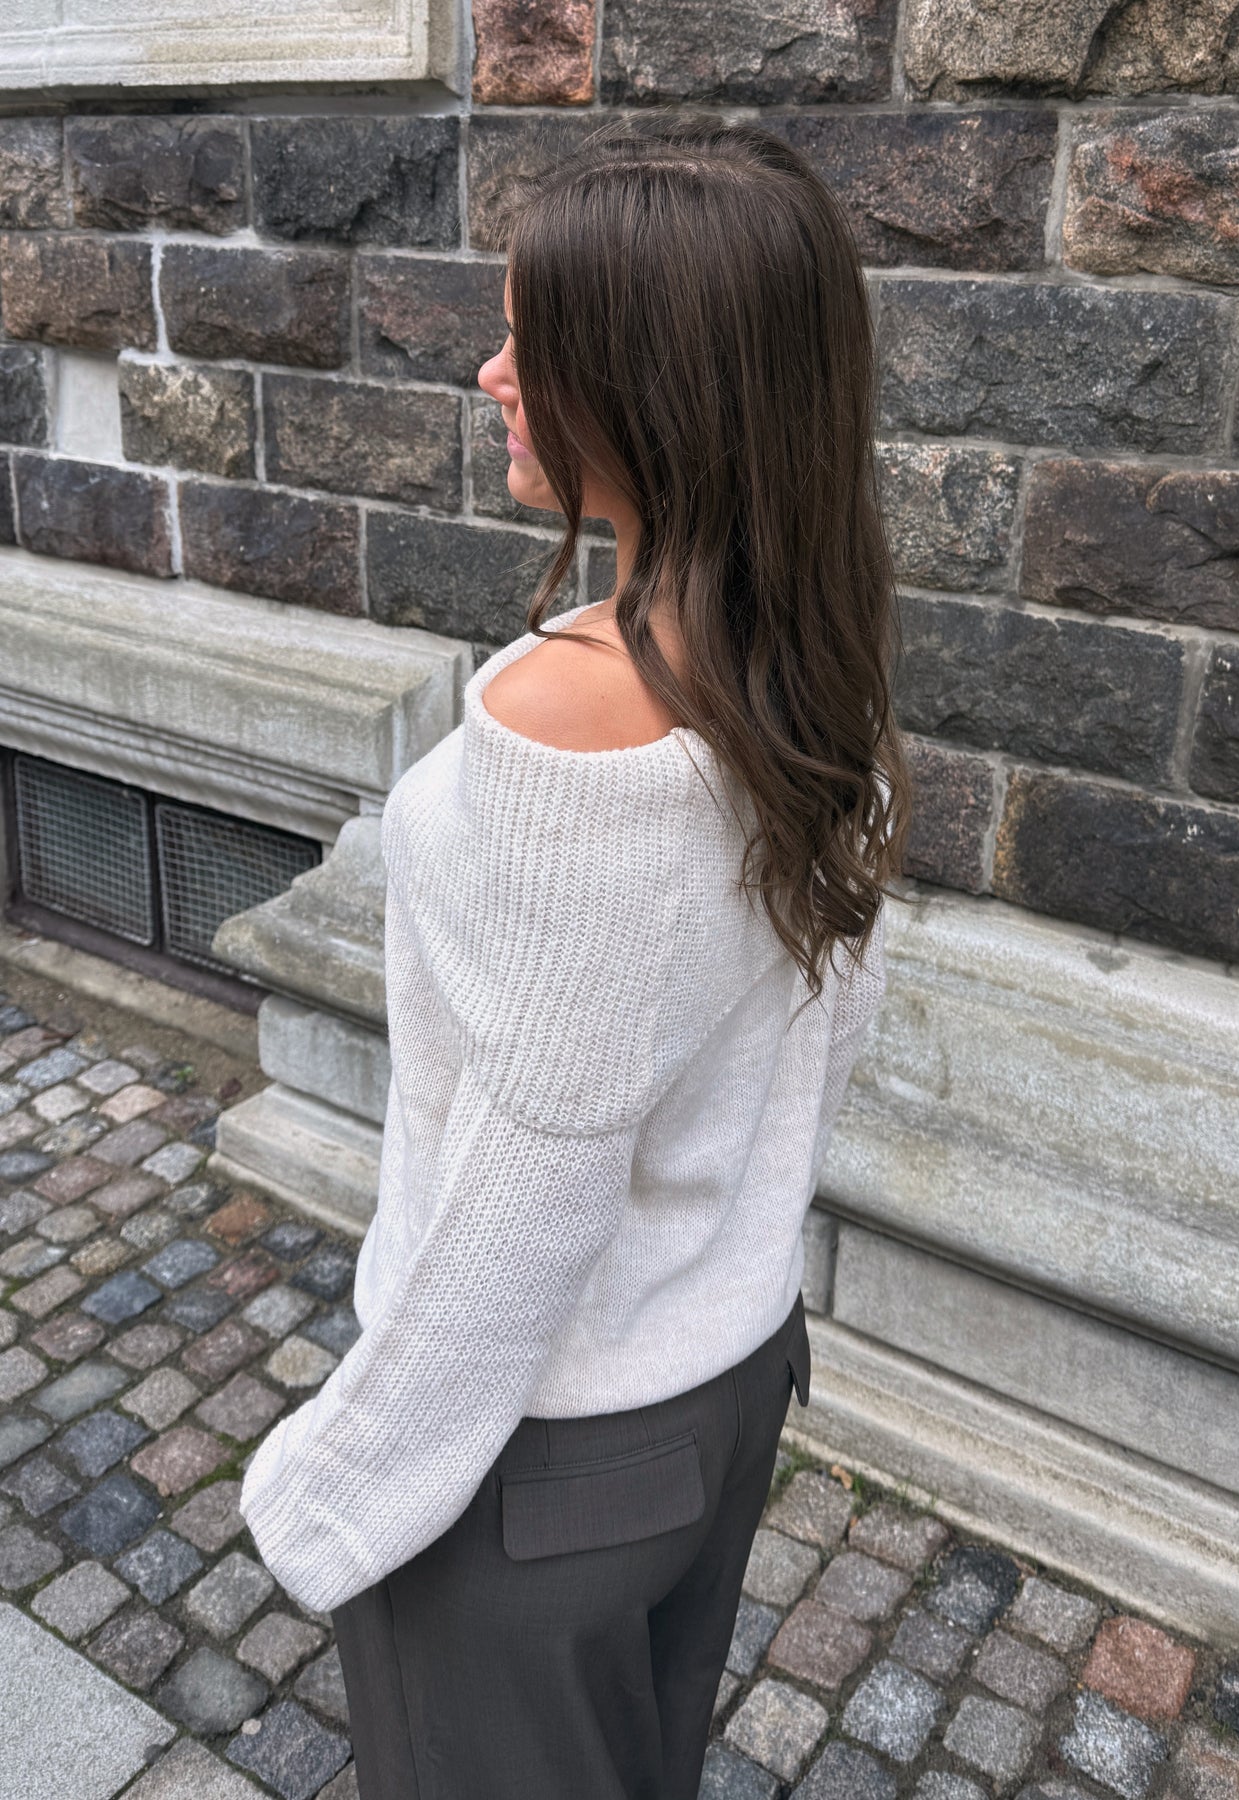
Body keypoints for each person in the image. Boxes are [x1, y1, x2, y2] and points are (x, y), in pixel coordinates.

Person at [238, 108, 913, 1800]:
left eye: (530, 346)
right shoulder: (811, 668)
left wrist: (344, 1481)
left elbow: (526, 1182)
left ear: (655, 390)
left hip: (532, 1457)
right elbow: (823, 1028)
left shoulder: (563, 732)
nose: (490, 376)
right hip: (726, 1372)